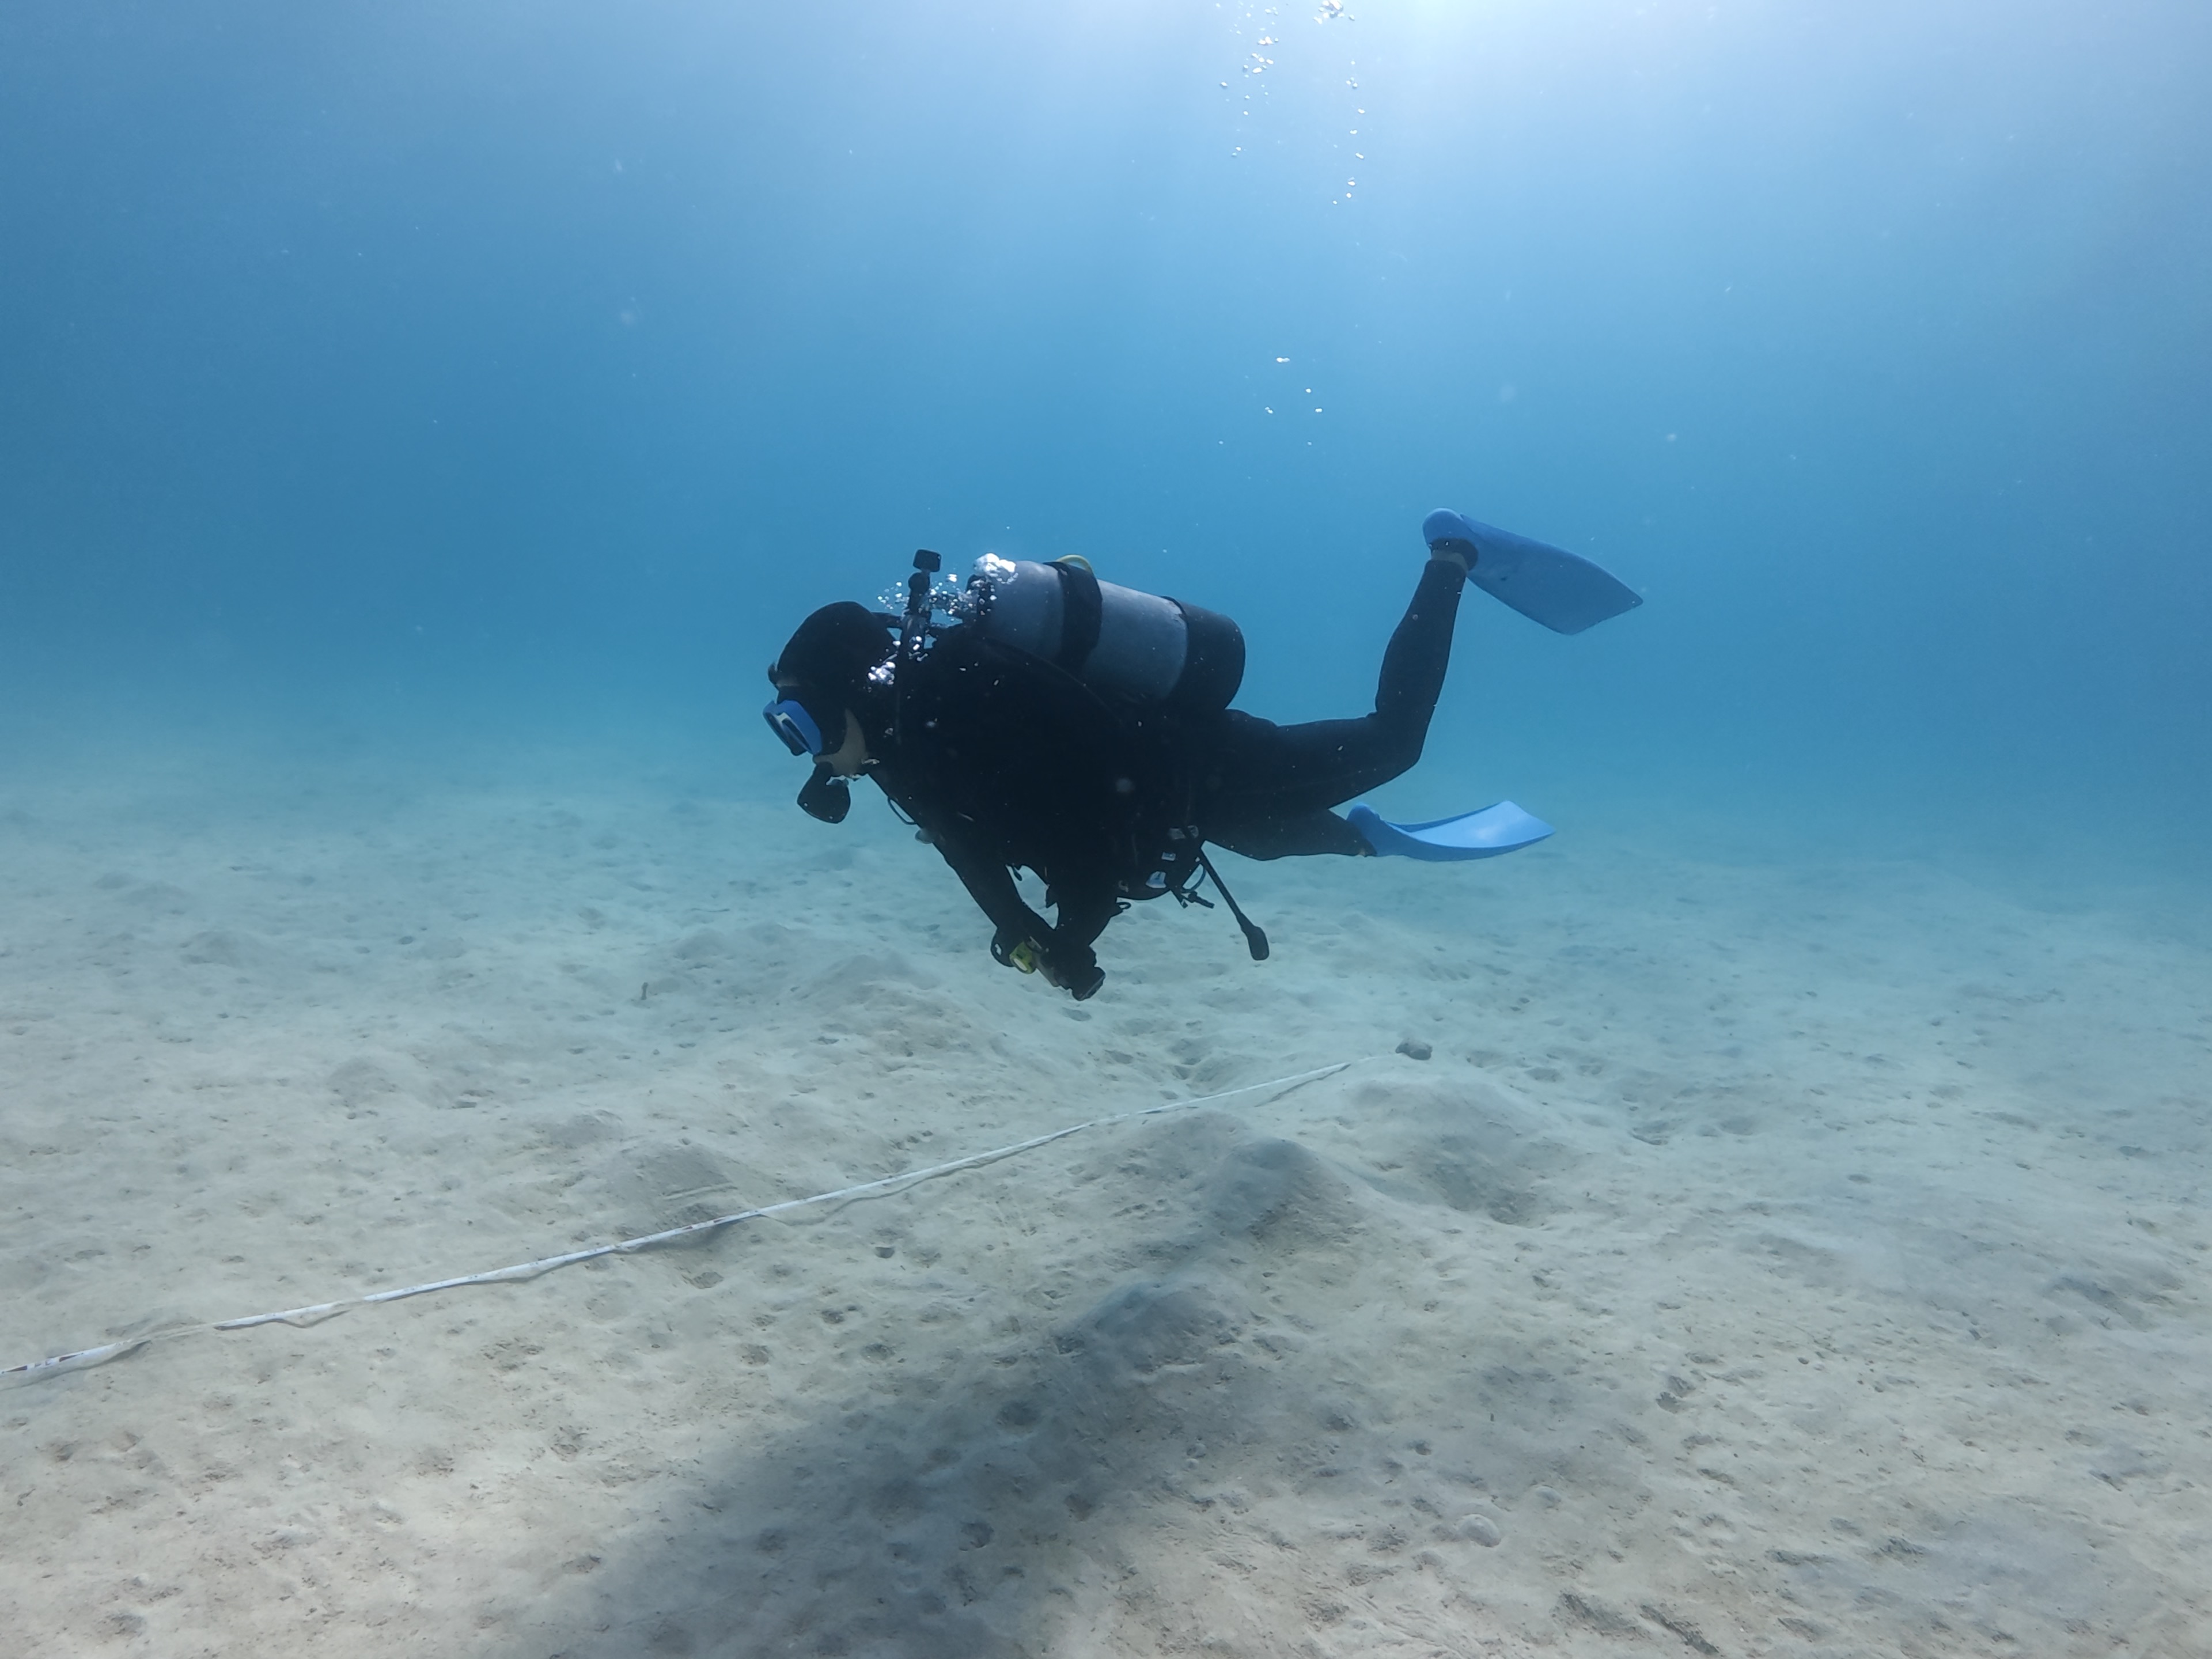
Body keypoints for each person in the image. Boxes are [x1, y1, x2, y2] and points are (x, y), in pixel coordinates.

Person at [762, 511, 1635, 999]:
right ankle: (1359, 837)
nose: (810, 757)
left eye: (803, 728)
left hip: (1201, 763)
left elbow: (1086, 826)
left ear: (854, 695)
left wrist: (1072, 931)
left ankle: (1452, 554)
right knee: (1256, 838)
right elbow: (966, 841)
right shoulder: (908, 751)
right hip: (1176, 806)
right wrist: (1022, 928)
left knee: (1390, 742)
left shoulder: (958, 706)